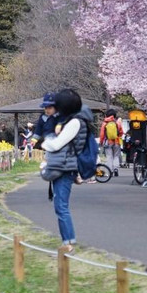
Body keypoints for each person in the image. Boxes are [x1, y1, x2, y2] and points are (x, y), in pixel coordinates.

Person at [40, 88, 91, 253]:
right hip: (65, 166)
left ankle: (68, 244)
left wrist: (44, 143)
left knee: (61, 206)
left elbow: (57, 144)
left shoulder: (74, 122)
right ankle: (67, 242)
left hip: (64, 168)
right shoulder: (72, 120)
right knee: (60, 206)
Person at [99, 109, 124, 177]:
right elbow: (121, 132)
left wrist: (101, 142)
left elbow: (102, 134)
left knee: (109, 156)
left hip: (108, 142)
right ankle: (115, 168)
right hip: (117, 141)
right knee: (116, 156)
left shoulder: (105, 123)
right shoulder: (117, 123)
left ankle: (110, 170)